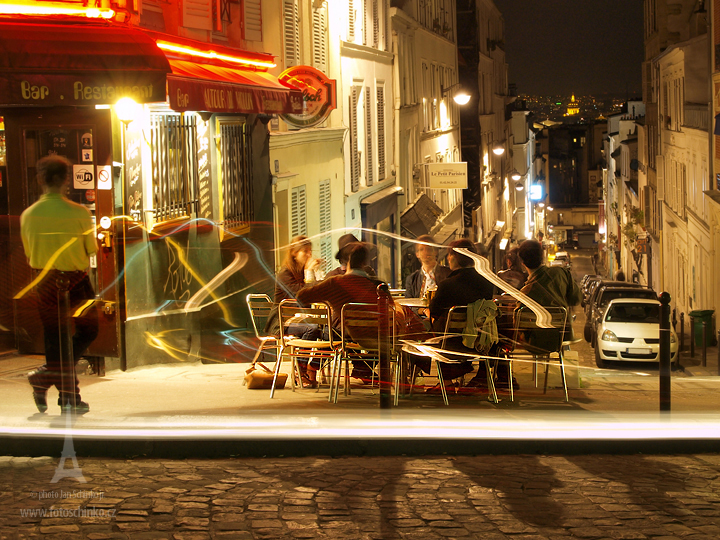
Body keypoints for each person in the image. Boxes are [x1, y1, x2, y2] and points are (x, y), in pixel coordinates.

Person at [21, 155, 98, 415]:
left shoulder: (28, 215)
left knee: (54, 340)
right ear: (66, 179)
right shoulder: (80, 213)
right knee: (89, 330)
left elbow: (30, 254)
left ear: (40, 179)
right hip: (76, 280)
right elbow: (91, 250)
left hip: (44, 281)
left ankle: (51, 382)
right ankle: (65, 394)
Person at [296, 243, 396, 383]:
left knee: (329, 332)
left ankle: (358, 367)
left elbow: (301, 297)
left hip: (345, 334)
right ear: (365, 264)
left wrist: (325, 295)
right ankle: (363, 368)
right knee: (379, 337)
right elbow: (391, 310)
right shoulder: (380, 285)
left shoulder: (335, 283)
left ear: (348, 263)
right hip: (377, 336)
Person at [425, 239, 496, 393]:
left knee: (429, 327)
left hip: (452, 344)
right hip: (481, 342)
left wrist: (428, 312)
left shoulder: (447, 285)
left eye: (449, 255)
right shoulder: (487, 283)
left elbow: (435, 311)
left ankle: (447, 381)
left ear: (455, 257)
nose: (448, 259)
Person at [271, 235, 323, 388]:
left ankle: (312, 366)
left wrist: (315, 273)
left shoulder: (301, 272)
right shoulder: (285, 274)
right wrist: (309, 273)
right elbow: (303, 296)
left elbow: (317, 291)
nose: (309, 255)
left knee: (329, 331)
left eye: (310, 251)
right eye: (305, 251)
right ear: (294, 253)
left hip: (301, 319)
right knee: (311, 329)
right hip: (282, 321)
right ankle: (300, 371)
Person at [516, 239, 581, 347]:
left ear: (523, 263)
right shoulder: (562, 273)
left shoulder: (525, 293)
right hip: (563, 338)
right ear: (542, 256)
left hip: (535, 344)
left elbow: (518, 324)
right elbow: (576, 298)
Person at [404, 235, 451, 318]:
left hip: (441, 318)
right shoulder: (412, 279)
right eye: (422, 249)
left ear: (435, 251)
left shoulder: (448, 274)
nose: (426, 252)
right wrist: (424, 311)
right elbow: (408, 303)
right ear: (417, 254)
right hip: (419, 318)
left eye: (429, 248)